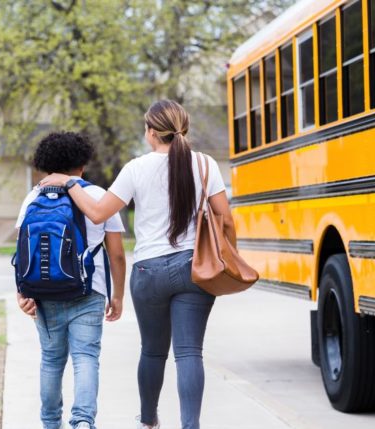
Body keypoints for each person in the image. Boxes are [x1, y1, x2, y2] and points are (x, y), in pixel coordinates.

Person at [40, 100, 233, 429]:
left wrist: (71, 184)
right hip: (194, 269)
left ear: (152, 132)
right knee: (189, 353)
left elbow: (98, 212)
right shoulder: (205, 165)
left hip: (148, 271)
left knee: (153, 352)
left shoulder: (136, 168)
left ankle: (148, 421)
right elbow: (225, 219)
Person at [16, 131, 127, 429]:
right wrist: (118, 295)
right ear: (81, 164)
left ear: (46, 164)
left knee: (51, 360)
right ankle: (82, 422)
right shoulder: (97, 196)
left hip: (42, 293)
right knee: (86, 357)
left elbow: (22, 250)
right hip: (88, 291)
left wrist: (21, 293)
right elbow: (116, 254)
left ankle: (51, 423)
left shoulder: (33, 196)